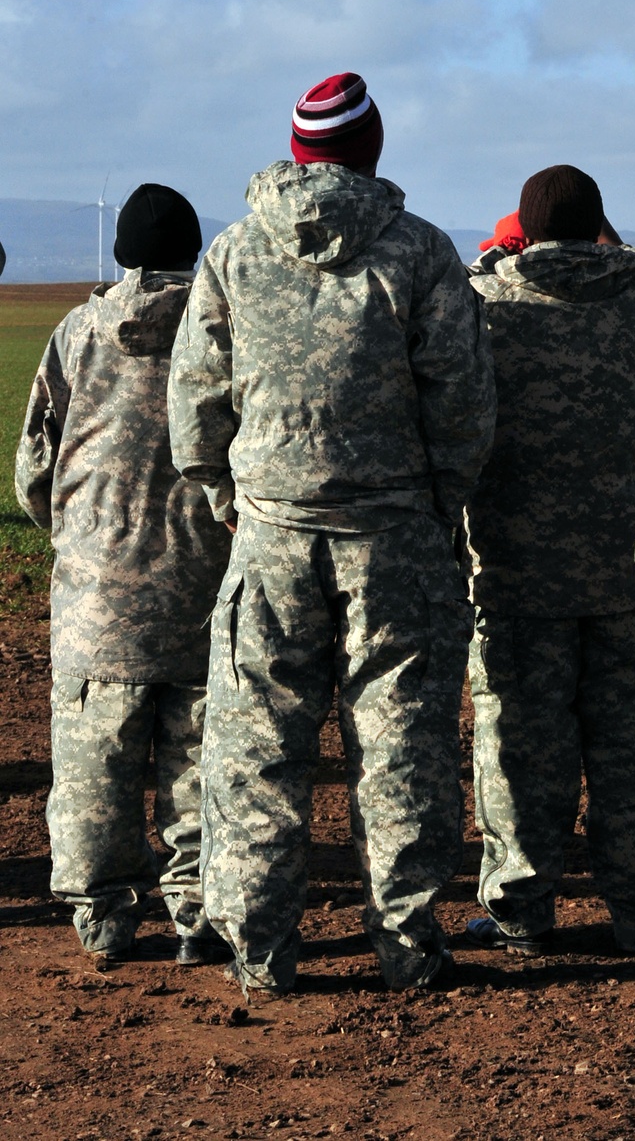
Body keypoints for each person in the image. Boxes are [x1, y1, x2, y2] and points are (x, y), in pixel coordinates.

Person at [168, 72, 496, 997]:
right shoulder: (421, 254)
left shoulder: (234, 254)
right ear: (372, 149)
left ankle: (260, 948)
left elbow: (194, 400)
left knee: (256, 744)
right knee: (398, 740)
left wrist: (224, 493)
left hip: (270, 536)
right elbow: (464, 402)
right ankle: (407, 940)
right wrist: (440, 499)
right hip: (394, 538)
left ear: (300, 150)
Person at [465, 164, 635, 957]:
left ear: (522, 229)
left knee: (521, 753)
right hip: (632, 572)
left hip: (515, 576)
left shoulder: (484, 305)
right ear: (600, 224)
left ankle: (522, 909)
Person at [15, 184, 232, 969]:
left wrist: (81, 541)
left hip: (96, 600)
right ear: (191, 248)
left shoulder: (79, 333)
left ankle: (104, 918)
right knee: (201, 766)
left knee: (92, 774)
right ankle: (200, 913)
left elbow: (34, 470)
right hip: (206, 590)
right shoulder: (226, 327)